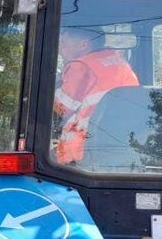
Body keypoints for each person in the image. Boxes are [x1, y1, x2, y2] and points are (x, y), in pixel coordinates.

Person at [53, 26, 139, 164]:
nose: (59, 49)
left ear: (83, 45)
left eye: (63, 43)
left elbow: (60, 111)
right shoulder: (120, 63)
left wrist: (52, 89)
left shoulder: (80, 67)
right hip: (125, 142)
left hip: (83, 150)